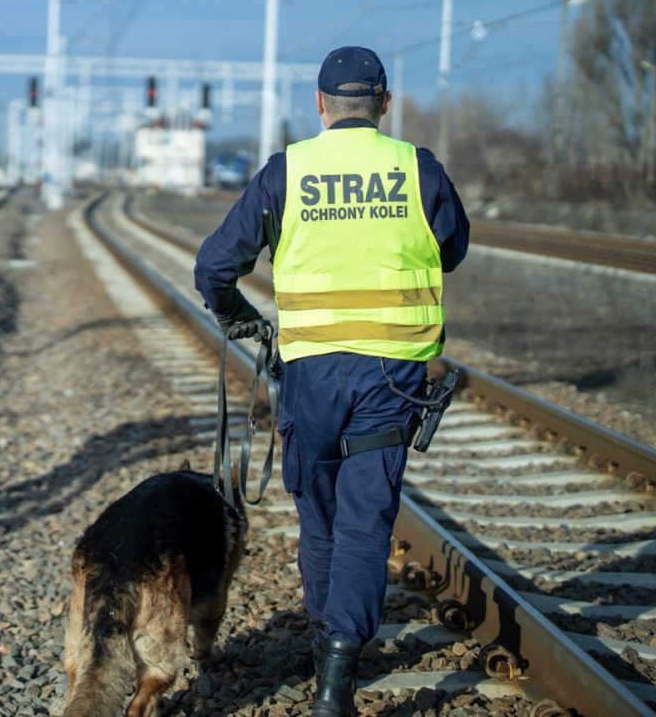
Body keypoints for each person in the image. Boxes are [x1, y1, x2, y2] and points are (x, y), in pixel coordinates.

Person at [194, 46, 469, 717]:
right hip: (391, 376)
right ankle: (336, 675)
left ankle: (327, 637)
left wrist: (239, 318)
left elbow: (213, 268)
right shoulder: (417, 168)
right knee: (366, 517)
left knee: (319, 513)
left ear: (319, 106)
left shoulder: (289, 170)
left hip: (313, 374)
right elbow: (452, 248)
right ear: (385, 104)